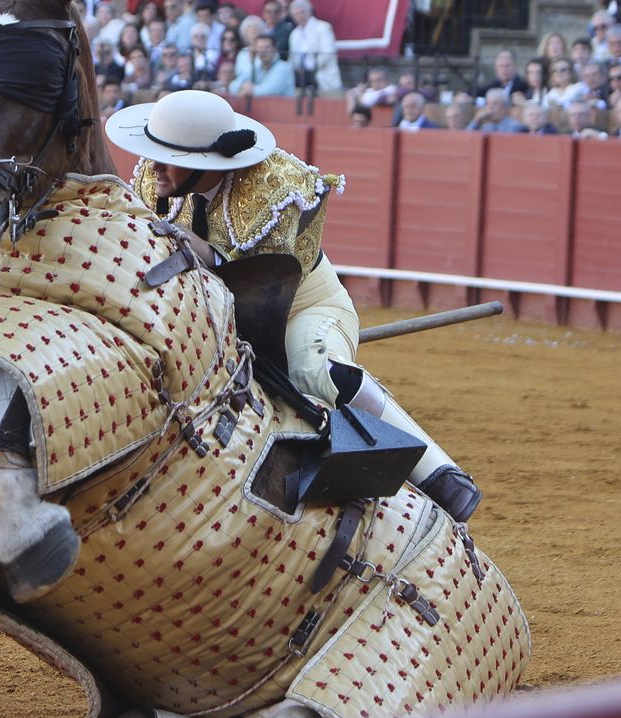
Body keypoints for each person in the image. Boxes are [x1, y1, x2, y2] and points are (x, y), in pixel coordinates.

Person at [107, 90, 482, 520]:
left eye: (167, 157)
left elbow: (268, 279)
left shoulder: (276, 188)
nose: (152, 167)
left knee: (313, 369)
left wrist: (202, 253)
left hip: (300, 306)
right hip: (220, 318)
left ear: (203, 162)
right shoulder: (153, 181)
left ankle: (441, 475)